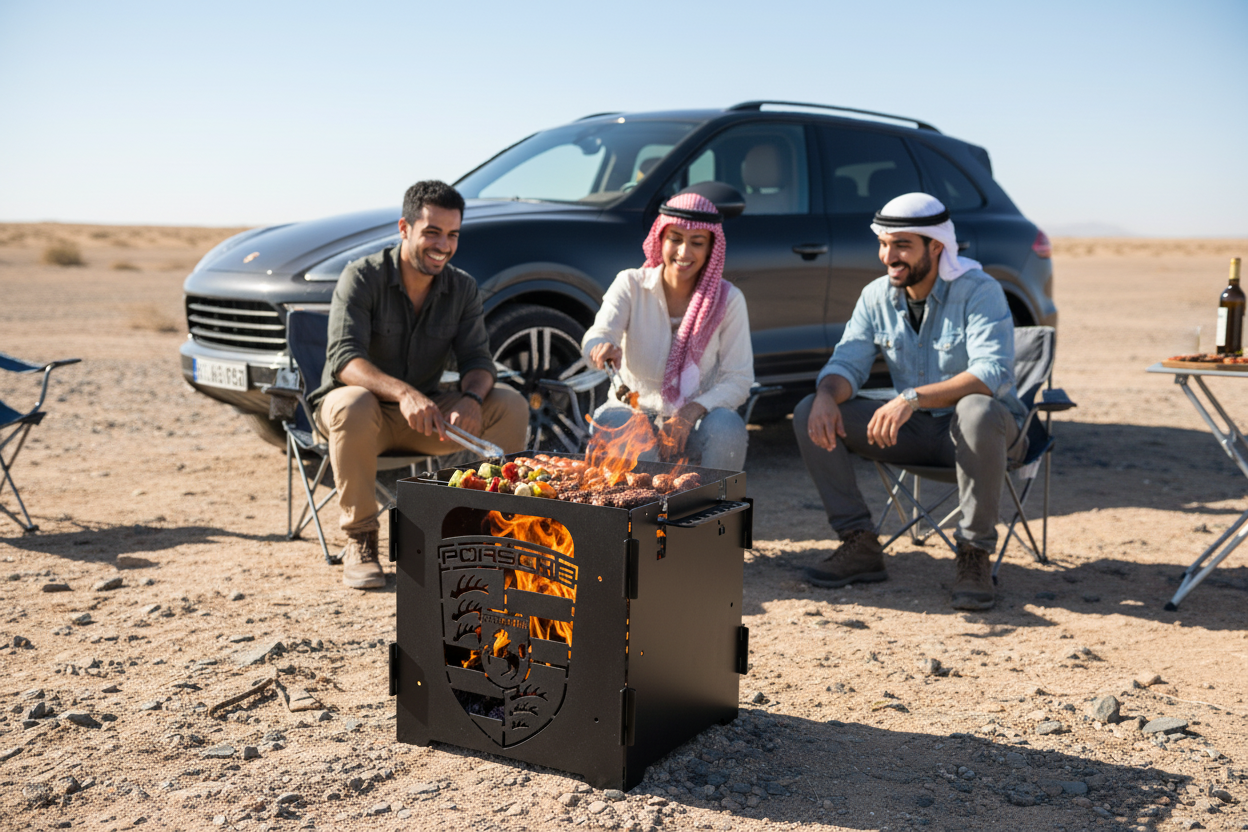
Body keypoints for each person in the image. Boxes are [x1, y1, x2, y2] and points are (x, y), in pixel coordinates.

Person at [793, 192, 1027, 610]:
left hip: (984, 435)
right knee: (809, 410)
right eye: (883, 244)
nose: (888, 256)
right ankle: (859, 543)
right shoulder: (876, 296)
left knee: (975, 408)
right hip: (917, 432)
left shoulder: (980, 290)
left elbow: (992, 374)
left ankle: (974, 555)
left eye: (901, 245)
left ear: (936, 246)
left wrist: (911, 398)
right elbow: (848, 362)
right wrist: (826, 394)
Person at [309, 180, 528, 589]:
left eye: (452, 235)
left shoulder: (461, 287)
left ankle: (480, 530)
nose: (442, 245)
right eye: (432, 232)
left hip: (426, 420)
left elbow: (478, 361)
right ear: (404, 228)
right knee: (353, 403)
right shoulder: (361, 277)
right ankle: (361, 541)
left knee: (510, 404)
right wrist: (404, 393)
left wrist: (471, 397)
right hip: (361, 419)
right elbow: (344, 360)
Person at [581, 187, 753, 471]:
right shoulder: (630, 284)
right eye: (675, 239)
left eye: (697, 242)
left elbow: (739, 379)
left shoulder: (729, 300)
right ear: (660, 239)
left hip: (694, 424)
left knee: (727, 427)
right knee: (621, 424)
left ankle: (710, 514)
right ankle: (636, 514)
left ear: (711, 247)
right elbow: (597, 335)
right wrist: (600, 346)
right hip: (633, 414)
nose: (684, 252)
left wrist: (689, 413)